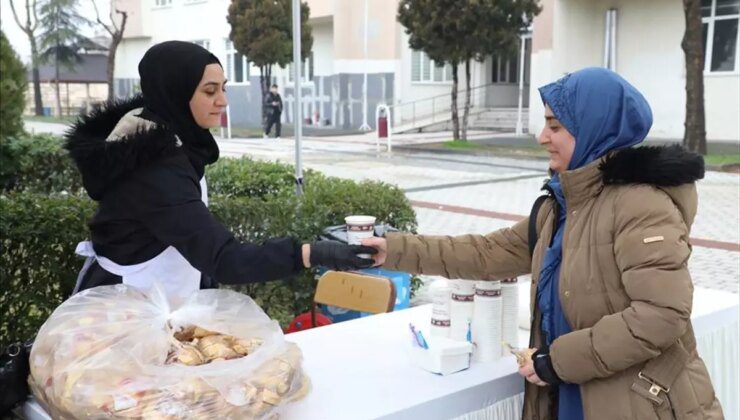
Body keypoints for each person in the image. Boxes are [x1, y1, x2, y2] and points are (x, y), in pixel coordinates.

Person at [361, 68, 722, 419]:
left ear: (594, 129)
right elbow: (486, 254)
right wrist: (392, 249)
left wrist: (557, 361)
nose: (541, 137)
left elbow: (661, 316)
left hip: (639, 402)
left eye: (555, 126)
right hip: (574, 394)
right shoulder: (561, 207)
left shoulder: (640, 205)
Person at [64, 41, 375, 303]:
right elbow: (224, 259)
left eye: (223, 89)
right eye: (210, 91)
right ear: (175, 93)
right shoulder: (153, 169)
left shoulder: (173, 143)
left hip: (156, 303)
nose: (223, 101)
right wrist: (312, 253)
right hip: (124, 313)